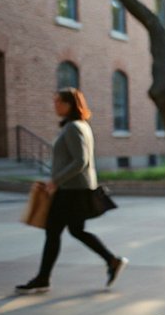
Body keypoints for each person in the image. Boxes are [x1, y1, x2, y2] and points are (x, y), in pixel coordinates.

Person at [15, 88, 127, 294]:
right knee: (75, 230)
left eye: (58, 101)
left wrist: (56, 181)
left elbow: (81, 161)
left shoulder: (74, 127)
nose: (55, 105)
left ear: (69, 104)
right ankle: (112, 261)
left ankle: (43, 278)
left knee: (53, 232)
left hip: (71, 190)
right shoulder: (78, 125)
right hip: (75, 188)